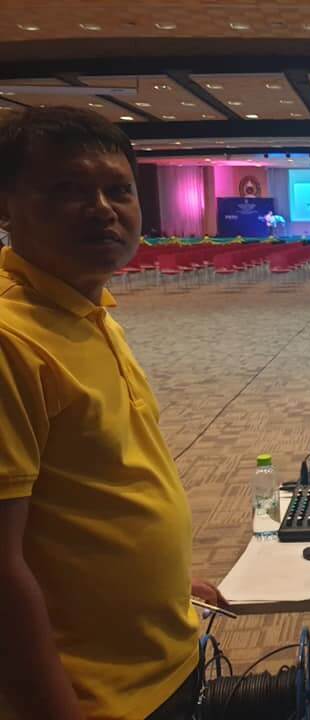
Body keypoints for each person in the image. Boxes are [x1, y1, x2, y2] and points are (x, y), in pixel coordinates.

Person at [0, 107, 226, 720]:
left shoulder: (89, 313)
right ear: (6, 205)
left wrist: (164, 587)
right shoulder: (10, 341)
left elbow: (95, 488)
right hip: (93, 698)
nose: (102, 209)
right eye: (67, 190)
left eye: (119, 190)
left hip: (159, 658)